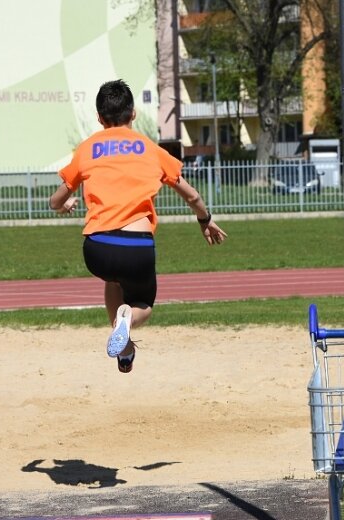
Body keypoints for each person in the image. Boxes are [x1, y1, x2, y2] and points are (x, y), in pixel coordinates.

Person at [49, 79, 228, 373]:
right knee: (143, 304)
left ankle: (125, 348)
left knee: (112, 279)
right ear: (133, 115)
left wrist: (65, 205)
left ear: (99, 118)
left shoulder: (87, 149)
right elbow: (192, 195)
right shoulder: (149, 149)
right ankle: (127, 321)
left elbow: (56, 201)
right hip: (137, 248)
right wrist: (204, 220)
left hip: (96, 249)